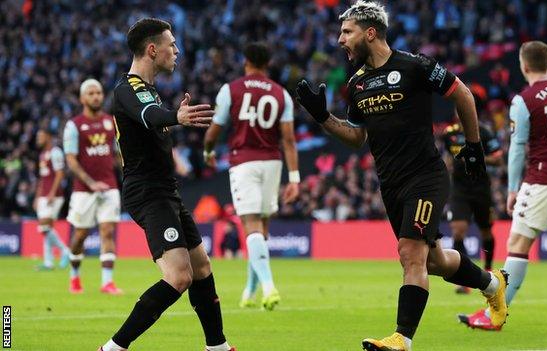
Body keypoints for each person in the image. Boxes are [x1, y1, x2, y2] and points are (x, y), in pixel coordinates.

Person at [295, 2, 507, 350]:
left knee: (410, 254)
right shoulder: (357, 83)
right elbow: (356, 137)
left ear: (370, 32)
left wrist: (473, 146)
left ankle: (401, 338)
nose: (340, 40)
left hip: (425, 177)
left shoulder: (415, 66)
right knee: (434, 261)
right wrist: (323, 117)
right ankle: (491, 284)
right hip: (391, 184)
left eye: (347, 32)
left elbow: (463, 94)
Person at [99, 18, 234, 351]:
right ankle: (113, 348)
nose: (177, 50)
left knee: (201, 267)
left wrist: (172, 117)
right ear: (151, 49)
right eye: (171, 44)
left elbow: (153, 116)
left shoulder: (149, 90)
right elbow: (151, 116)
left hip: (165, 190)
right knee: (178, 276)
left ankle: (216, 346)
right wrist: (176, 117)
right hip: (147, 192)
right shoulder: (127, 89)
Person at [458, 41, 547, 333]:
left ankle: (494, 315)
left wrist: (511, 188)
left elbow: (518, 147)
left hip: (542, 179)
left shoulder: (525, 99)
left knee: (517, 246)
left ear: (523, 65)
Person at [203, 42, 300, 311]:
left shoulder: (230, 90)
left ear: (246, 61)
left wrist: (208, 151)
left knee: (251, 225)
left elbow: (215, 129)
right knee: (261, 231)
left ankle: (269, 287)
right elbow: (289, 140)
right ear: (268, 64)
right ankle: (250, 291)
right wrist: (294, 178)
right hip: (272, 163)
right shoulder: (282, 94)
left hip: (244, 161)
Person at [63, 79, 122, 294]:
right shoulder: (74, 125)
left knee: (107, 232)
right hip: (83, 190)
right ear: (82, 98)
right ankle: (75, 278)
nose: (96, 96)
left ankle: (107, 282)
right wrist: (90, 183)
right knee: (80, 236)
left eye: (98, 93)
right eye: (91, 93)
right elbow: (71, 160)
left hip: (109, 187)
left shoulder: (110, 122)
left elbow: (118, 155)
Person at [443, 119, 503, 294]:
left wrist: (475, 157)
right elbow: (447, 157)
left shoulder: (484, 132)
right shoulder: (450, 134)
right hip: (459, 190)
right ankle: (464, 278)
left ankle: (488, 269)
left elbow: (498, 160)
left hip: (481, 189)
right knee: (458, 230)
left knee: (486, 231)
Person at [33, 128, 70, 270]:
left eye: (41, 136)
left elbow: (60, 174)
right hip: (43, 196)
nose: (38, 139)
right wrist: (37, 196)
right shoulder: (42, 154)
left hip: (54, 196)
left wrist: (52, 193)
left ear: (48, 137)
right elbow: (43, 178)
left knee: (44, 226)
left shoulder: (55, 152)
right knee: (46, 229)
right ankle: (48, 262)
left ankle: (65, 251)